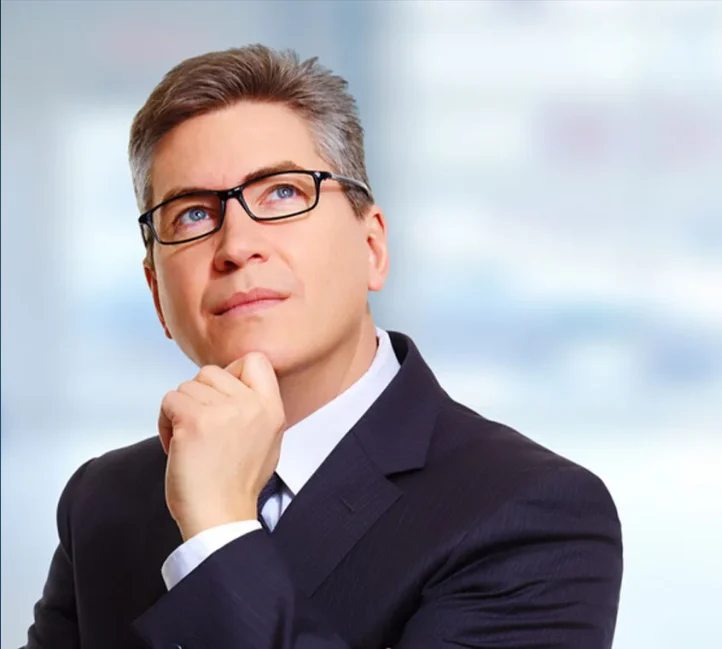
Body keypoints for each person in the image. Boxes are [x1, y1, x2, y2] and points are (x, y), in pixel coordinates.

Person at [25, 45, 623, 649]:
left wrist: (219, 532)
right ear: (157, 292)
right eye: (192, 215)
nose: (237, 244)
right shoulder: (103, 501)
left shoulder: (533, 514)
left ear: (373, 247)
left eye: (282, 193)